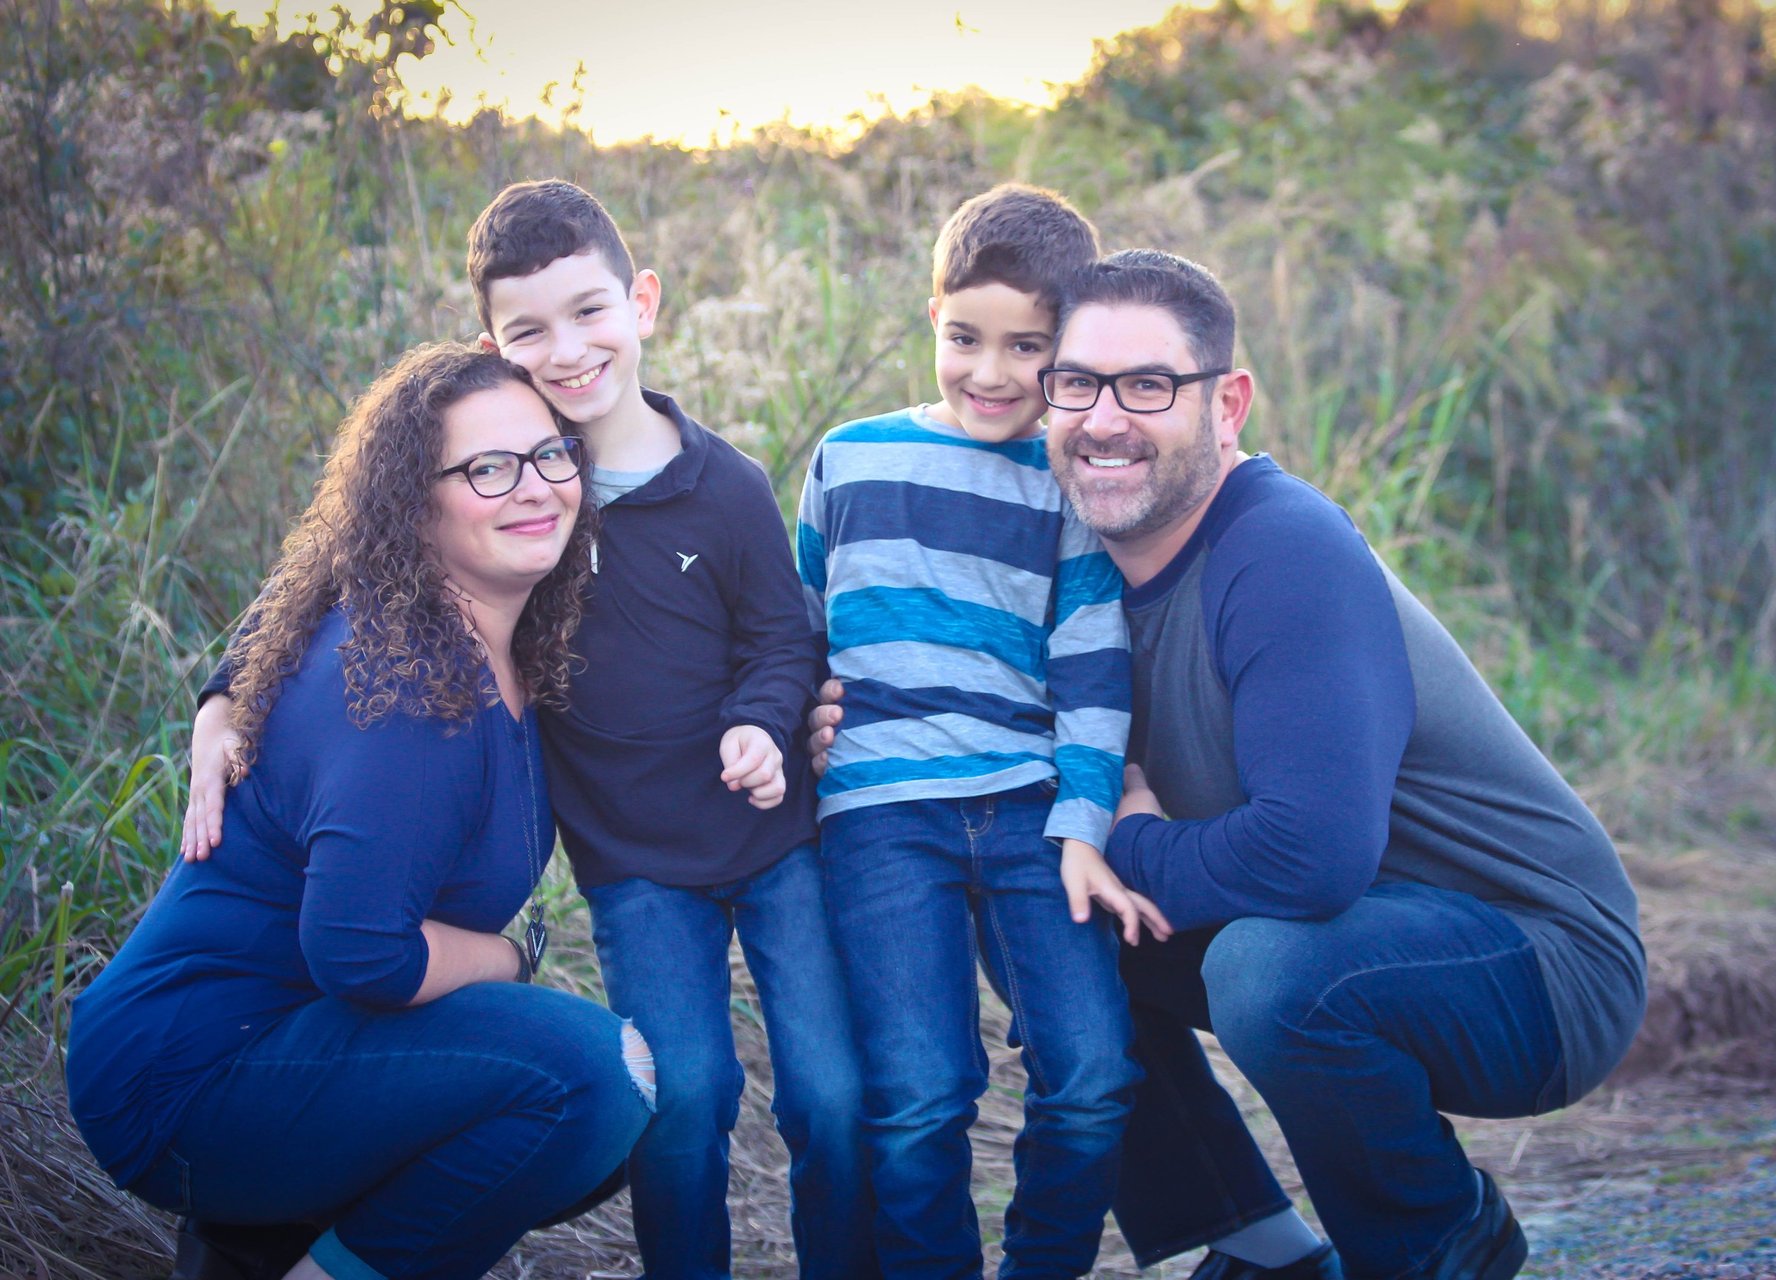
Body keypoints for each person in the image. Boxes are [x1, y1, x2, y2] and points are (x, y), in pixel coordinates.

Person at [815, 249, 1646, 1280]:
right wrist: (819, 713)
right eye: (1077, 383)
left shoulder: (1282, 550)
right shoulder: (1067, 568)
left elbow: (1313, 859)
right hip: (1347, 926)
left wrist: (1127, 836)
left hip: (1533, 962)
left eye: (1149, 386)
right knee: (1041, 902)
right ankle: (1259, 1242)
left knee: (1263, 967)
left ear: (1228, 403)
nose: (1105, 419)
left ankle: (1435, 1239)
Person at [184, 180, 873, 1280]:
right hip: (635, 864)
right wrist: (225, 690)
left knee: (835, 1093)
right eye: (529, 330)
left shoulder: (725, 483)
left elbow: (785, 636)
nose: (568, 349)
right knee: (686, 1093)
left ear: (642, 300)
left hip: (775, 840)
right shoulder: (516, 488)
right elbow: (333, 569)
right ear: (493, 345)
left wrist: (762, 720)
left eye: (591, 310)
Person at [67, 343, 655, 1280]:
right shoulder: (410, 697)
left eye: (552, 455)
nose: (536, 487)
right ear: (411, 506)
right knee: (592, 1077)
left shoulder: (499, 629)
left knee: (609, 1111)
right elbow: (359, 950)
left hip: (291, 1037)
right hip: (188, 1076)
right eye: (487, 469)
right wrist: (512, 962)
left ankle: (254, 1245)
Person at [797, 184, 1169, 1280]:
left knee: (1095, 1068)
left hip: (1029, 807)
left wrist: (1086, 821)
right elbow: (797, 631)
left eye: (1029, 347)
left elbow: (1095, 671)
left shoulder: (1071, 480)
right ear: (933, 321)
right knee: (918, 1096)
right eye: (966, 338)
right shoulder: (848, 458)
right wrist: (790, 722)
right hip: (877, 812)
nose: (992, 373)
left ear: (1071, 351)